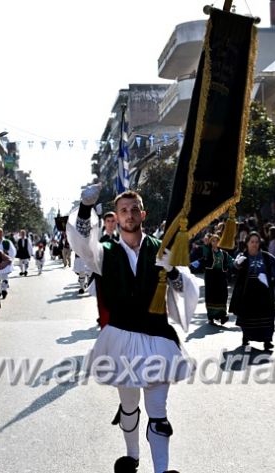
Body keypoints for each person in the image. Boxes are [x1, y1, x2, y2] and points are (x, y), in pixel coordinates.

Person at [67, 184, 198, 473]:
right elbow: (81, 242)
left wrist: (173, 271)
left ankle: (162, 470)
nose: (129, 215)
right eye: (123, 210)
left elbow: (186, 291)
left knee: (159, 412)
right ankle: (132, 456)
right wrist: (86, 207)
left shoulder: (161, 248)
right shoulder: (105, 252)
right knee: (128, 405)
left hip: (158, 337)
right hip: (121, 338)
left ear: (143, 213)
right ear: (116, 216)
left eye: (133, 209)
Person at [229, 231, 275, 351]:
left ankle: (267, 340)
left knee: (267, 316)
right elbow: (235, 265)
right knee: (247, 316)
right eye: (252, 242)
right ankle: (246, 336)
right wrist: (238, 264)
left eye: (257, 242)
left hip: (264, 292)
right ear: (247, 243)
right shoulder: (243, 256)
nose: (254, 244)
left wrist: (273, 277)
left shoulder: (266, 256)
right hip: (248, 292)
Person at [201, 234, 234, 325]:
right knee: (211, 295)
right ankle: (211, 317)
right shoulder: (208, 251)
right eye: (213, 241)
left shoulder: (224, 253)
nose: (215, 243)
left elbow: (231, 261)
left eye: (217, 240)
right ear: (210, 242)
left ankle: (222, 315)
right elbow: (204, 254)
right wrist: (205, 244)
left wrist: (237, 262)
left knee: (223, 294)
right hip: (211, 276)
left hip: (221, 276)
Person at [0, 228, 16, 299]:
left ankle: (4, 290)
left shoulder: (7, 242)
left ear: (2, 233)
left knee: (4, 277)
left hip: (5, 263)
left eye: (0, 232)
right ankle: (0, 289)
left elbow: (13, 251)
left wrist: (8, 258)